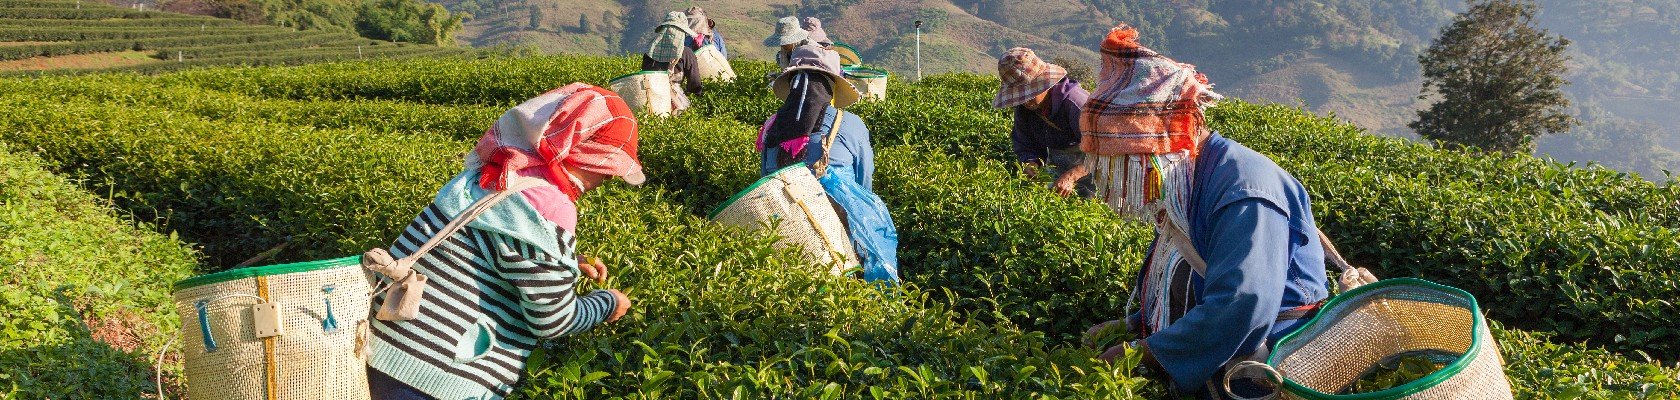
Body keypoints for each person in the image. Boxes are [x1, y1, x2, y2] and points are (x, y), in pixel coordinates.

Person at [1074, 24, 1330, 399]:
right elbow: (1184, 273)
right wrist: (1132, 325)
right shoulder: (1187, 180)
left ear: (1166, 144)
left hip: (1263, 370)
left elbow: (1242, 303)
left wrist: (1147, 352)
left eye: (1131, 161)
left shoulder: (1243, 192)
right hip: (1221, 358)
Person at [365, 83, 643, 400]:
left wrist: (566, 261)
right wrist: (607, 304)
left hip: (385, 351)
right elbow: (553, 319)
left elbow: (488, 244)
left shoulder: (493, 174)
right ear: (577, 151)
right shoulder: (551, 206)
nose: (609, 178)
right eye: (607, 168)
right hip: (439, 376)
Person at [756, 44, 899, 283]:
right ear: (832, 88)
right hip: (838, 242)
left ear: (792, 85)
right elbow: (864, 187)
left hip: (783, 238)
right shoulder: (850, 124)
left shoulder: (771, 126)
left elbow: (764, 181)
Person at [992, 47, 1094, 198]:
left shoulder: (1077, 105)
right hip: (1058, 164)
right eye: (1020, 96)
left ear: (1043, 83)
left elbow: (1102, 152)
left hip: (1094, 168)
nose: (1026, 101)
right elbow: (1025, 144)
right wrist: (1031, 163)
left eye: (1029, 94)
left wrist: (1071, 176)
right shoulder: (1024, 109)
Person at [643, 11, 703, 99]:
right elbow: (695, 82)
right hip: (675, 97)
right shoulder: (686, 53)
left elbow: (645, 77)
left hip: (653, 97)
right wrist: (696, 97)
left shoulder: (650, 51)